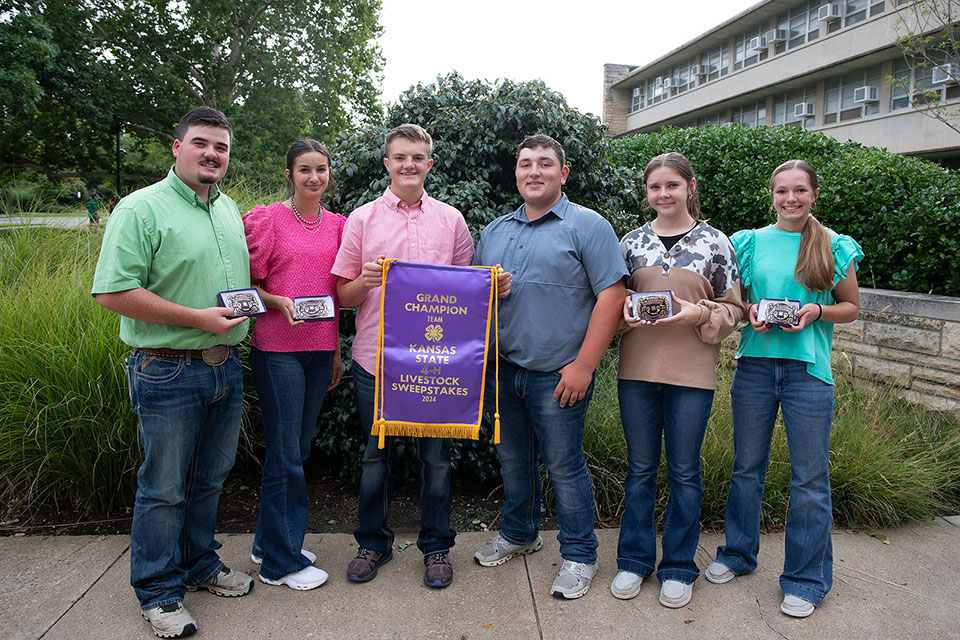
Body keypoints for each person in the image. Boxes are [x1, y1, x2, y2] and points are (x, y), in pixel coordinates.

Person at [92, 106, 254, 639]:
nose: (213, 154)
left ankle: (199, 564)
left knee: (208, 479)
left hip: (224, 369)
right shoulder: (141, 209)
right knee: (163, 486)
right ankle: (160, 593)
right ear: (177, 148)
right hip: (166, 370)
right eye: (202, 143)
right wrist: (197, 319)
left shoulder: (228, 209)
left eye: (222, 147)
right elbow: (113, 292)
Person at [705, 159, 863, 618]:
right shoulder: (750, 243)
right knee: (746, 468)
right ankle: (738, 553)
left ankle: (805, 579)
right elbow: (735, 302)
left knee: (810, 480)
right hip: (754, 367)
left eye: (799, 191)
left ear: (814, 194)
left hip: (809, 374)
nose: (790, 199)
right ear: (771, 195)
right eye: (782, 192)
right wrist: (750, 310)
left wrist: (816, 313)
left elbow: (851, 306)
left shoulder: (833, 245)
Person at [473, 134, 627, 599]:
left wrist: (583, 365)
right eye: (525, 164)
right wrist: (487, 292)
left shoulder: (588, 226)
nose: (533, 172)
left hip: (560, 373)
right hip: (505, 370)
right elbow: (471, 296)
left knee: (564, 465)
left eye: (544, 164)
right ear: (516, 173)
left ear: (563, 173)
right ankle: (521, 534)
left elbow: (613, 296)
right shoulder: (496, 231)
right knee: (513, 460)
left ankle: (580, 554)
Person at [331, 123, 476, 589]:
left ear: (429, 164)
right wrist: (366, 281)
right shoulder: (362, 219)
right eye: (400, 157)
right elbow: (343, 295)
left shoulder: (451, 220)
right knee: (376, 458)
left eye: (418, 157)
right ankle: (373, 543)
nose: (409, 164)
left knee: (435, 460)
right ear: (388, 163)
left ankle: (436, 547)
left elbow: (465, 295)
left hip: (434, 363)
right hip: (376, 360)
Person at [611, 152, 742, 607]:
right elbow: (614, 305)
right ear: (646, 192)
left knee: (685, 472)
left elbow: (734, 310)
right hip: (637, 374)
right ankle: (633, 560)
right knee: (641, 470)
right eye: (654, 187)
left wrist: (696, 312)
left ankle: (680, 567)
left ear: (690, 186)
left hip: (692, 376)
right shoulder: (630, 242)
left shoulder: (715, 244)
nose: (663, 194)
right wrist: (624, 311)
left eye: (672, 185)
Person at [242, 139, 346, 591]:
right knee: (286, 455)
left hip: (319, 350)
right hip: (278, 349)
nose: (314, 178)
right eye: (304, 169)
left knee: (296, 450)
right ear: (289, 174)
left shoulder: (339, 226)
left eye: (321, 169)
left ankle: (269, 543)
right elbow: (246, 282)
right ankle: (280, 565)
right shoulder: (269, 220)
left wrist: (338, 350)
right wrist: (273, 299)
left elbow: (340, 294)